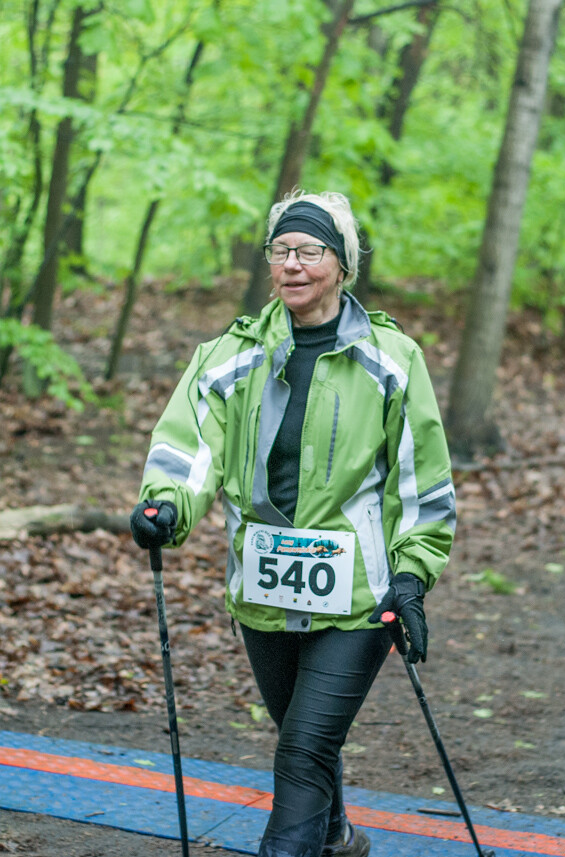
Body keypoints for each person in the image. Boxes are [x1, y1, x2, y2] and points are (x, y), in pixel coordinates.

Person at [129, 190, 456, 857]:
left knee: (304, 746)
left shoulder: (392, 358)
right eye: (281, 250)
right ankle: (336, 836)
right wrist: (166, 505)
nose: (292, 264)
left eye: (309, 250)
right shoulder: (229, 355)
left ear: (342, 263)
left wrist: (412, 574)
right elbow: (191, 445)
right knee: (304, 736)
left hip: (360, 595)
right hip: (264, 588)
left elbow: (421, 476)